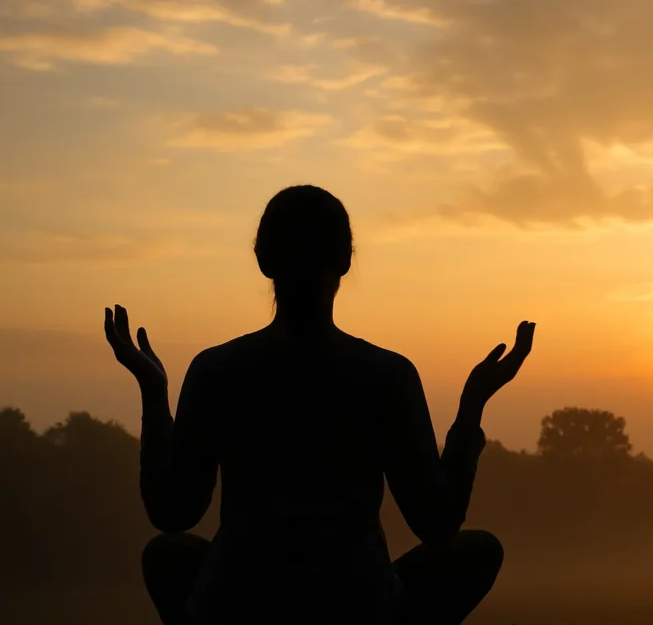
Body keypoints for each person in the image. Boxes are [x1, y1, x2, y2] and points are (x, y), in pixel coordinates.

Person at [103, 185, 536, 625]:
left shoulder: (215, 370)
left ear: (263, 260)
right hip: (357, 603)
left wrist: (154, 393)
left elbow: (172, 513)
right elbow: (437, 524)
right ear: (346, 261)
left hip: (238, 602)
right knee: (479, 551)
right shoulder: (387, 375)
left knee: (167, 553)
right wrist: (472, 405)